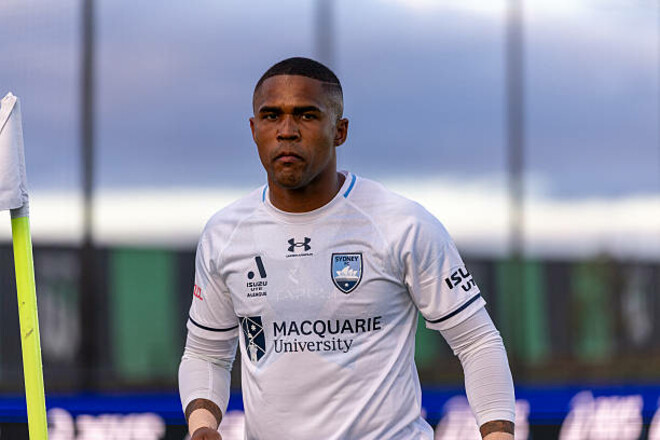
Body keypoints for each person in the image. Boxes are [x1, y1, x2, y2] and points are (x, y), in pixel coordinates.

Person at [179, 57, 516, 440]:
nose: (287, 131)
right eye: (271, 116)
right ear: (254, 130)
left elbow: (477, 341)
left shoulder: (402, 223)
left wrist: (498, 435)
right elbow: (206, 353)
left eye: (306, 115)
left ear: (339, 131)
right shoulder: (225, 234)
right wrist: (202, 425)